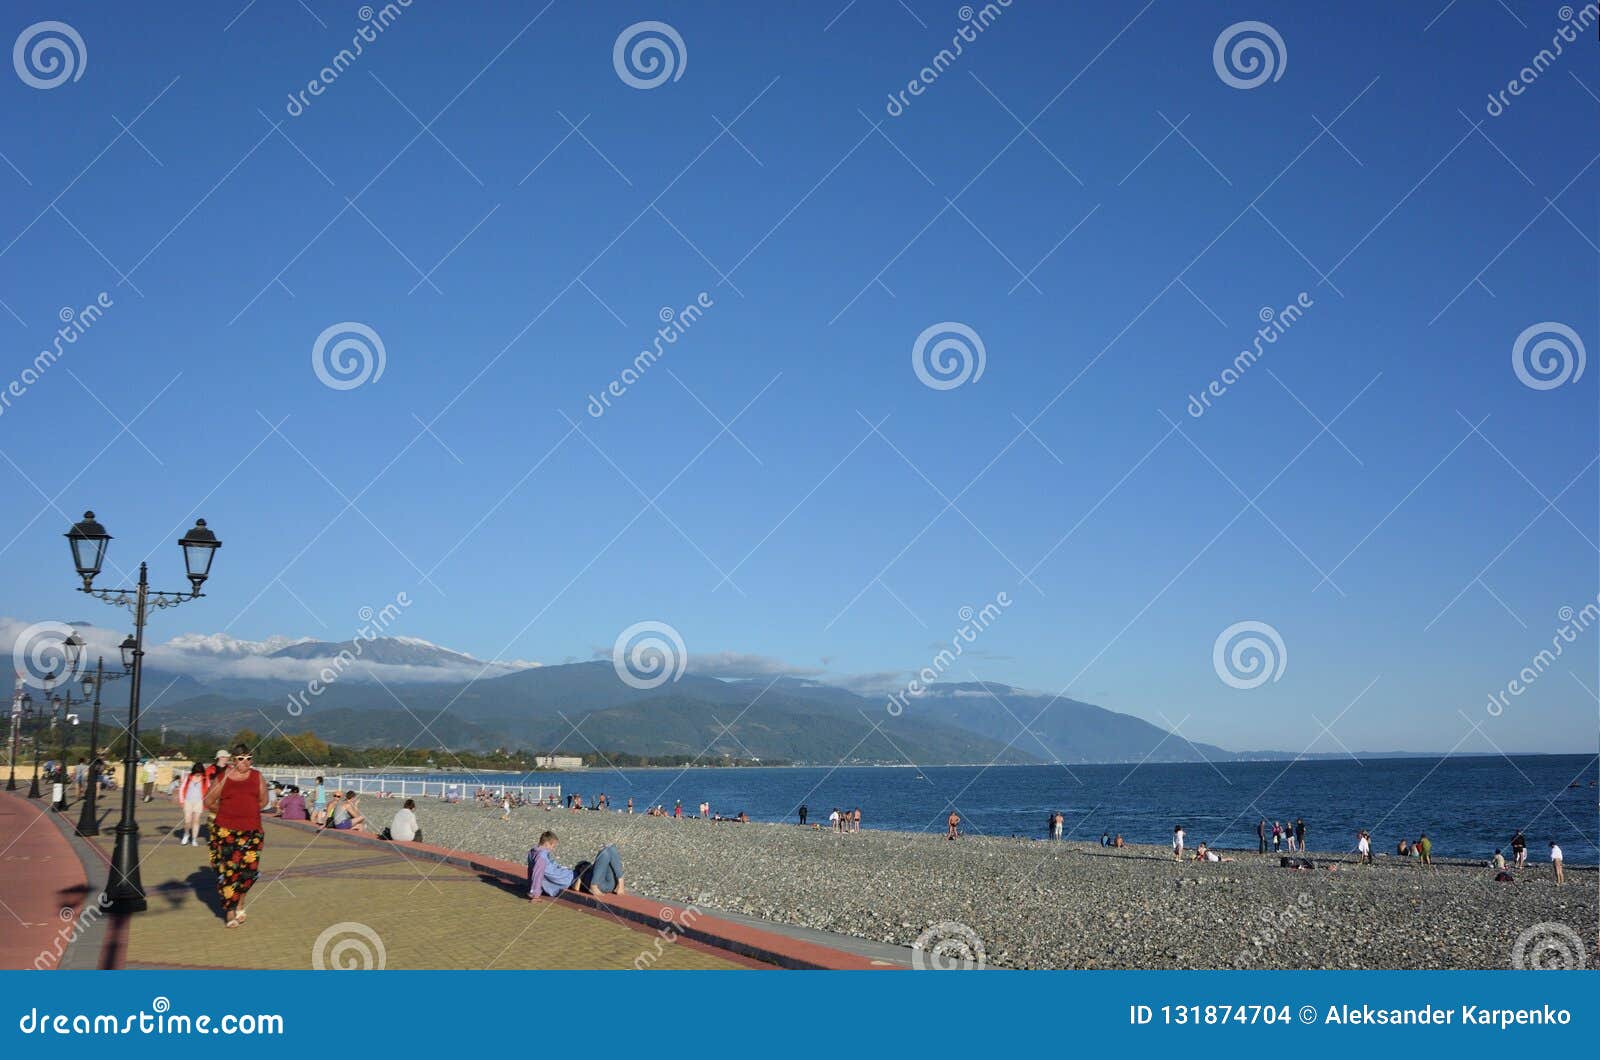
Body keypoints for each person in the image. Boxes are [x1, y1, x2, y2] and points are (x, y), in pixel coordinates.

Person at [201, 744, 267, 929]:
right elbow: (208, 801)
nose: (246, 762)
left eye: (249, 758)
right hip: (227, 831)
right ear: (233, 760)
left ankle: (240, 903)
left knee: (249, 872)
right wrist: (227, 812)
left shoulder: (257, 776)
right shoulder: (224, 778)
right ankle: (230, 910)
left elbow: (263, 800)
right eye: (241, 758)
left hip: (252, 830)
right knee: (230, 872)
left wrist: (248, 811)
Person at [526, 831, 627, 898]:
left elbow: (532, 872)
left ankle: (620, 884)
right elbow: (537, 874)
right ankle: (596, 885)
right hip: (587, 881)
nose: (553, 848)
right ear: (548, 843)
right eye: (553, 846)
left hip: (605, 884)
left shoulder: (533, 853)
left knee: (611, 848)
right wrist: (535, 893)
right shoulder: (541, 857)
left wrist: (529, 884)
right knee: (605, 852)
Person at [178, 763, 208, 846]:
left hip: (199, 802)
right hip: (188, 801)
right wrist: (181, 801)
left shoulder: (205, 779)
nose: (198, 774)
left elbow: (208, 790)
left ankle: (194, 839)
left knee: (196, 821)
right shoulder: (188, 778)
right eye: (196, 773)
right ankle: (186, 834)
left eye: (200, 773)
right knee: (187, 821)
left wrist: (206, 802)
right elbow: (181, 789)